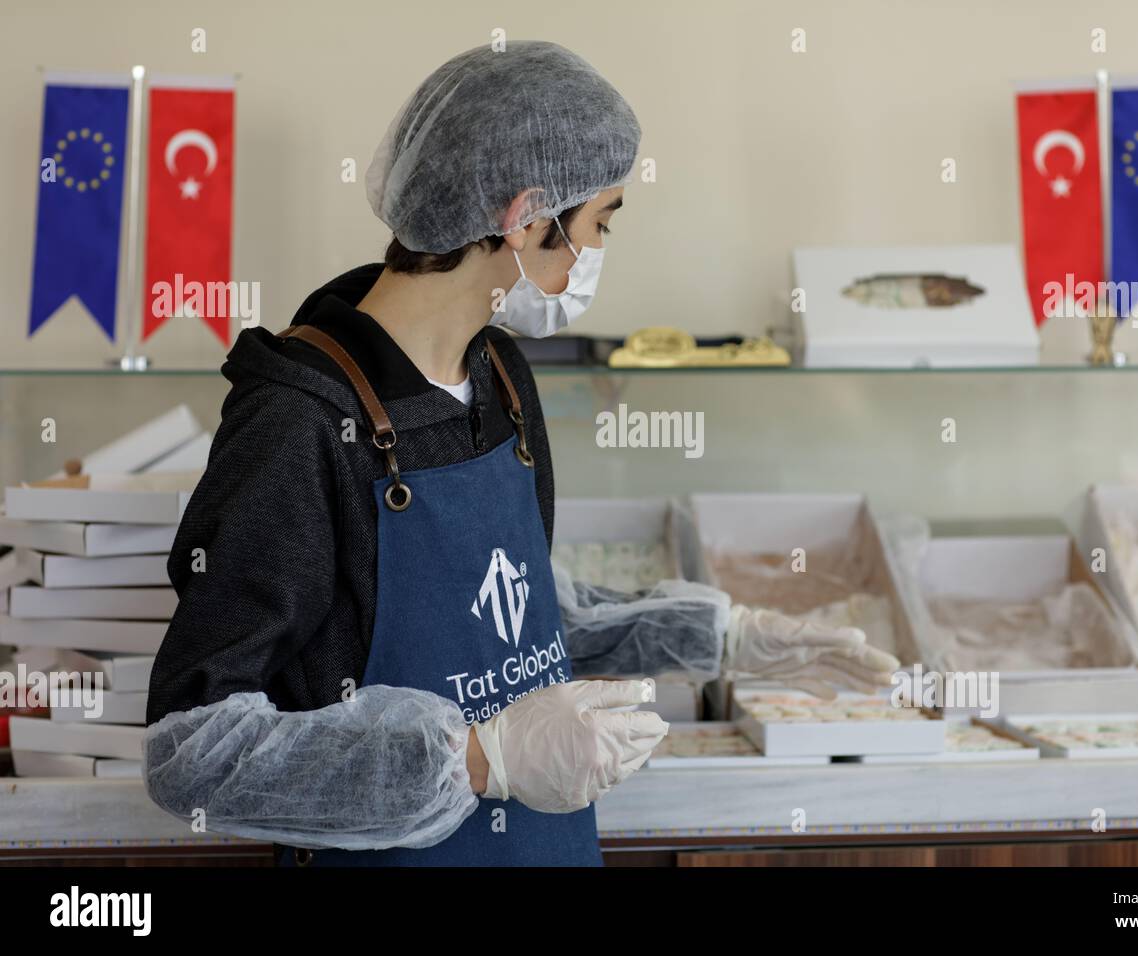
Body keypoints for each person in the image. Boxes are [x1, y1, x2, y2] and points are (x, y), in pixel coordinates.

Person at [142, 41, 899, 867]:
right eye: (601, 222)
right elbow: (194, 752)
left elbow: (523, 615)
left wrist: (720, 636)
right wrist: (477, 760)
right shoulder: (299, 423)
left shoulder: (500, 372)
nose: (601, 250)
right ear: (528, 218)